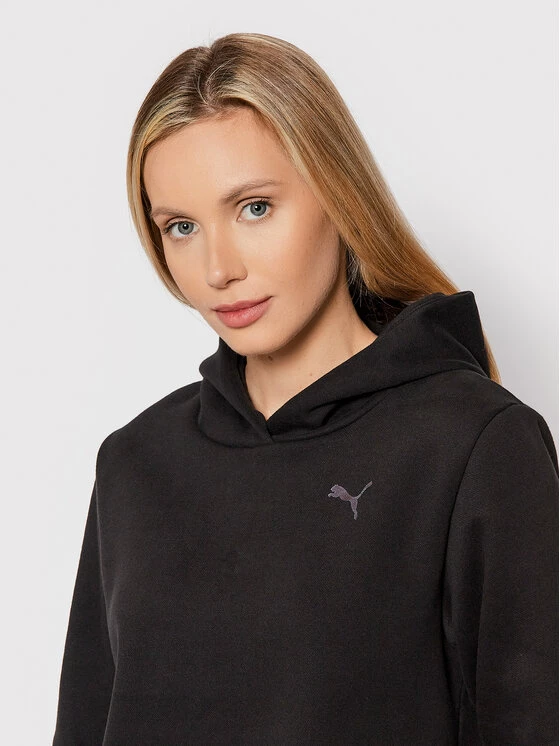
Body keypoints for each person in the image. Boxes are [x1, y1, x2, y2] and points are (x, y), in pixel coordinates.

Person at [52, 32, 558, 745]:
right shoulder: (135, 463)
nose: (218, 268)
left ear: (338, 193)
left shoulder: (473, 445)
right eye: (181, 226)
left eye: (254, 207)